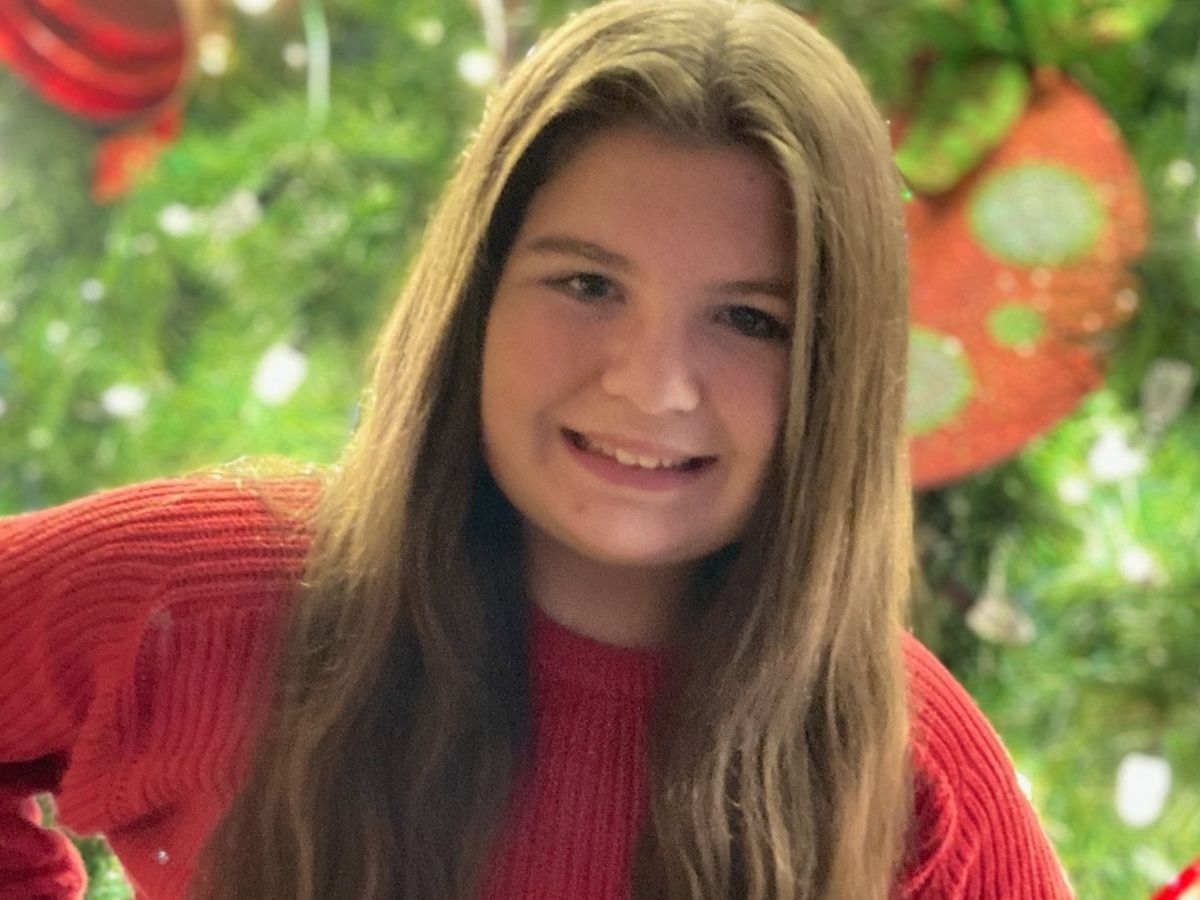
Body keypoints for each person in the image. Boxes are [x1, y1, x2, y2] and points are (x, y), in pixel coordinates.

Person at [0, 0, 1074, 897]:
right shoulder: (209, 598)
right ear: (477, 299)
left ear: (833, 374)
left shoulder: (914, 775)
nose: (649, 382)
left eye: (750, 320)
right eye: (587, 284)